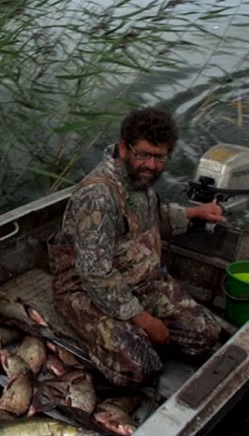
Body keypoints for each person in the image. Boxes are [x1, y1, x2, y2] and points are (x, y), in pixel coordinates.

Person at [47, 107, 224, 388]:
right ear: (124, 148)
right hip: (84, 287)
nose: (151, 165)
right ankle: (86, 338)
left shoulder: (142, 181)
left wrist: (194, 213)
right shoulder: (99, 194)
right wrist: (144, 320)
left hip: (137, 276)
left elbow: (152, 218)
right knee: (139, 367)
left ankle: (132, 334)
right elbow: (94, 273)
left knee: (205, 335)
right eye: (143, 154)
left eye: (159, 156)